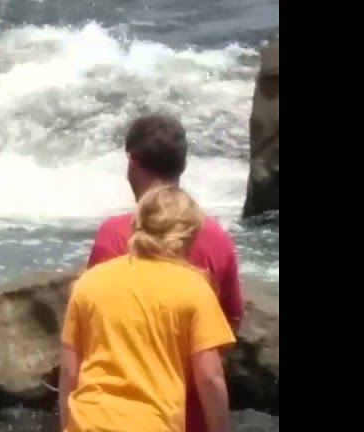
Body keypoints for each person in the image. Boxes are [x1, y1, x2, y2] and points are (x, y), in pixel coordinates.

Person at [86, 114, 245, 432]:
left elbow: (92, 330)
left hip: (116, 415)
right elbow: (229, 326)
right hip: (191, 414)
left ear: (131, 161)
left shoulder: (112, 236)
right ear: (182, 166)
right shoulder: (217, 238)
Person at [61, 185, 235, 432]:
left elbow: (70, 371)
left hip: (88, 422)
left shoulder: (89, 282)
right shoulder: (194, 289)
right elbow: (209, 377)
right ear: (189, 237)